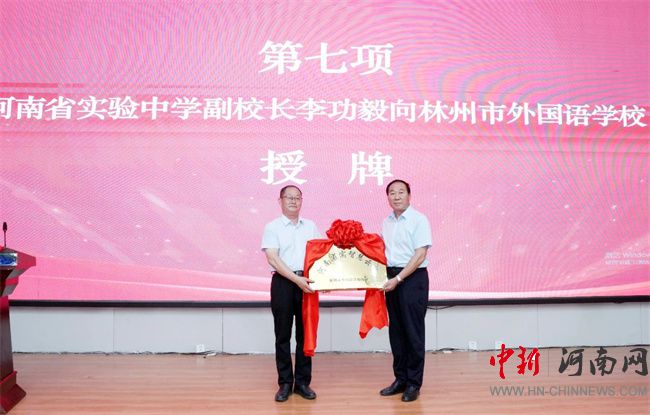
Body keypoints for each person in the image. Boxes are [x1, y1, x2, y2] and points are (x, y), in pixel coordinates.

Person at [261, 185, 321, 402]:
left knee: (305, 335)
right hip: (283, 283)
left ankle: (302, 383)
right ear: (280, 201)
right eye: (289, 198)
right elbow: (273, 259)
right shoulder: (272, 227)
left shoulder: (311, 226)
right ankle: (285, 383)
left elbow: (322, 255)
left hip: (308, 283)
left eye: (297, 198)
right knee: (283, 335)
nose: (294, 201)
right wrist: (297, 280)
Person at [379, 179, 432, 402]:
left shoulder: (419, 220)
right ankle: (400, 379)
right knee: (397, 332)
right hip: (391, 278)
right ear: (388, 197)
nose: (397, 196)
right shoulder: (387, 221)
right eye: (392, 192)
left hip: (412, 279)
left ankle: (413, 383)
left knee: (413, 332)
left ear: (409, 195)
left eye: (401, 192)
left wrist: (399, 278)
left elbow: (420, 254)